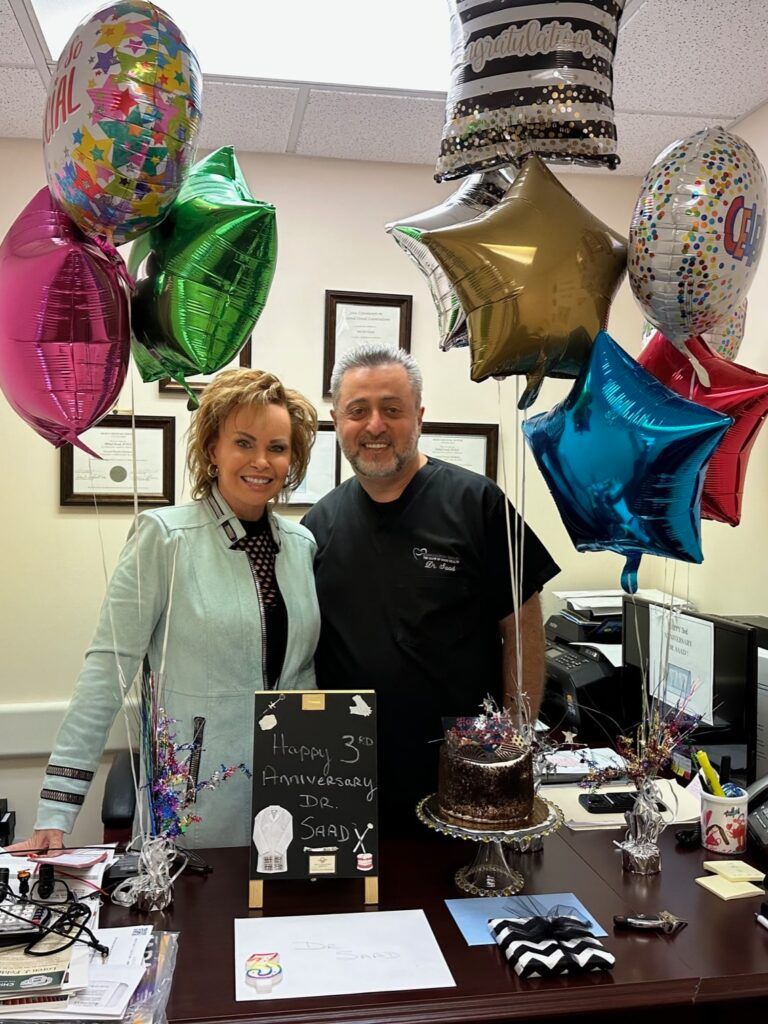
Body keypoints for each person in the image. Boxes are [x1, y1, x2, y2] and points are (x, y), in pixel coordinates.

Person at [11, 369, 320, 853]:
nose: (261, 461)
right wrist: (57, 810)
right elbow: (107, 669)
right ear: (213, 448)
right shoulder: (165, 537)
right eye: (243, 442)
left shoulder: (301, 546)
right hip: (198, 804)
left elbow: (301, 675)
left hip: (294, 796)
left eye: (278, 447)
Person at [302, 344, 560, 834]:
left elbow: (523, 625)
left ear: (418, 416)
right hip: (348, 772)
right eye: (358, 411)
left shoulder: (476, 503)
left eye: (392, 409)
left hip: (462, 768)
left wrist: (513, 741)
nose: (375, 425)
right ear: (336, 420)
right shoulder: (319, 523)